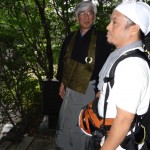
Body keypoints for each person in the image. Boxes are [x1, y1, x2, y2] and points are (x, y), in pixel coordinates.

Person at [55, 1, 111, 150]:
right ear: (77, 17)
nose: (86, 17)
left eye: (90, 13)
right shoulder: (70, 38)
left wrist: (101, 90)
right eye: (82, 13)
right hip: (69, 89)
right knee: (66, 121)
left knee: (83, 123)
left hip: (89, 89)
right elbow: (63, 62)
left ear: (94, 17)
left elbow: (107, 66)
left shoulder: (102, 39)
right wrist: (62, 82)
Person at [96, 1, 150, 150]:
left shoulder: (132, 65)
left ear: (133, 29)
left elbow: (124, 120)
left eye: (114, 22)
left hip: (121, 145)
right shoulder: (121, 57)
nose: (108, 26)